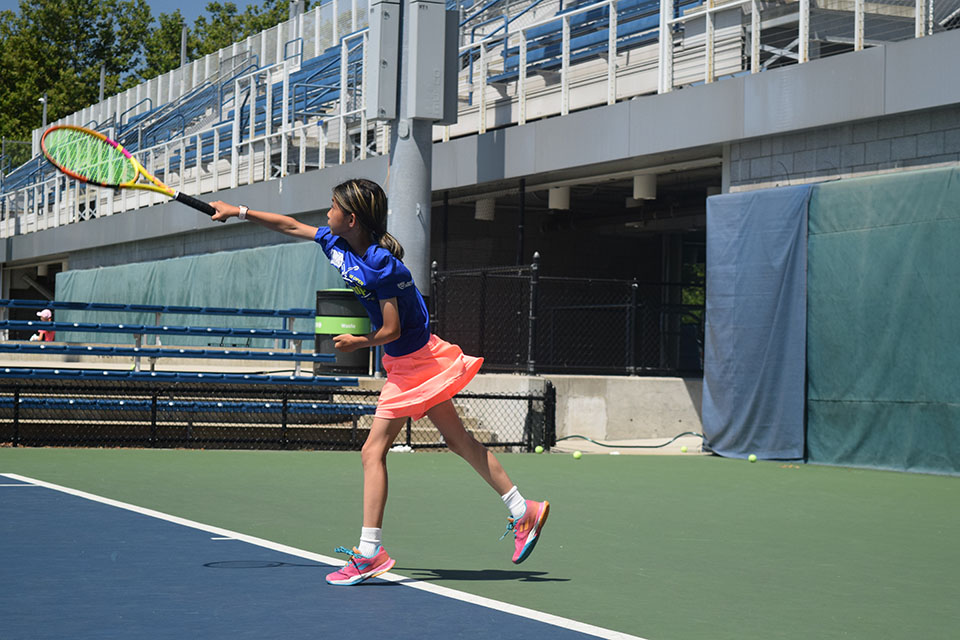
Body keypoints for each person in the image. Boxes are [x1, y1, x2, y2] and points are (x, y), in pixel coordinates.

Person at [209, 179, 549, 586]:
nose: (326, 213)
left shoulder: (381, 264)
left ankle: (370, 552)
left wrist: (359, 341)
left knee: (372, 451)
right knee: (458, 441)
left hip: (415, 362)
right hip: (409, 360)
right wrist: (239, 211)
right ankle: (521, 509)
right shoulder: (336, 244)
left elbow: (392, 327)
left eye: (333, 207)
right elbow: (288, 226)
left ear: (351, 219)